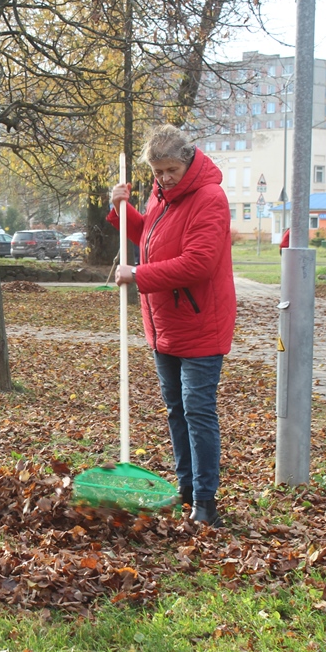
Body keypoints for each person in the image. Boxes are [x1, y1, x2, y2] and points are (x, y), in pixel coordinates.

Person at [109, 124, 236, 527]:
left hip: (200, 324)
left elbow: (199, 262)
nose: (163, 178)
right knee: (176, 411)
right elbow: (149, 234)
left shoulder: (210, 198)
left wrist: (138, 275)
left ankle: (205, 502)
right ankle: (185, 490)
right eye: (157, 172)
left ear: (188, 161)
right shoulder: (162, 197)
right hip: (163, 324)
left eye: (170, 170)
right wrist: (120, 210)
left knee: (198, 413)